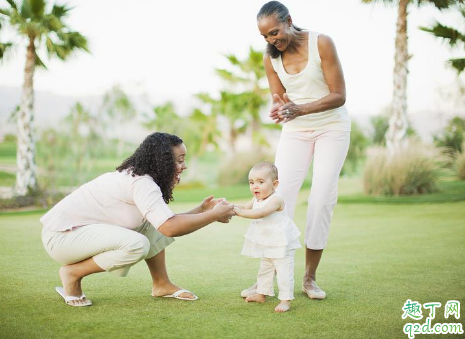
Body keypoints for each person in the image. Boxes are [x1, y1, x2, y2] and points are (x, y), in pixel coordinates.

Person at [41, 132, 235, 306]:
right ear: (162, 161)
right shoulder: (142, 183)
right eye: (179, 160)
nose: (183, 166)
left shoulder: (140, 177)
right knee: (137, 244)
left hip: (73, 235)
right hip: (62, 238)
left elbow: (166, 221)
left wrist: (202, 210)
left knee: (152, 223)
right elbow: (170, 228)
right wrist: (213, 215)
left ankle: (162, 284)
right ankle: (72, 273)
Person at [247, 1, 351, 300]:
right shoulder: (271, 58)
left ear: (289, 20)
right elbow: (279, 98)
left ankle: (309, 278)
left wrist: (298, 109)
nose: (271, 40)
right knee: (277, 199)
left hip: (332, 127)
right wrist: (279, 109)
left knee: (320, 199)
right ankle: (265, 281)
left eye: (275, 32)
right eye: (265, 36)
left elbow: (339, 96)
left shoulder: (322, 43)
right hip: (296, 130)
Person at [234, 162, 301, 313]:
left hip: (282, 243)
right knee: (265, 268)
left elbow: (260, 213)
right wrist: (229, 207)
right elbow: (245, 207)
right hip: (268, 242)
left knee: (284, 271)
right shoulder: (257, 199)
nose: (255, 186)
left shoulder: (276, 200)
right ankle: (261, 294)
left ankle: (286, 300)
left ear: (275, 184)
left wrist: (238, 213)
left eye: (260, 182)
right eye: (251, 183)